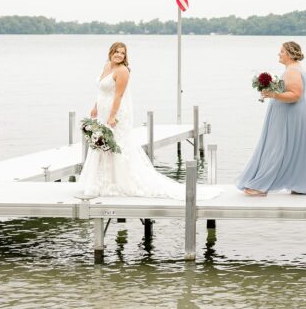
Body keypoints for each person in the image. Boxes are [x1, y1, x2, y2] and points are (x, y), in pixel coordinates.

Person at [79, 42, 218, 199]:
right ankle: (101, 181)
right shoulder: (106, 66)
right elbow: (103, 91)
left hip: (115, 112)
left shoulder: (123, 71)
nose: (119, 55)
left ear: (125, 56)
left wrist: (112, 116)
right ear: (110, 52)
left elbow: (118, 95)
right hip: (103, 110)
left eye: (122, 53)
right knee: (101, 145)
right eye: (116, 52)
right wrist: (95, 107)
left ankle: (117, 183)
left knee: (115, 145)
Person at [236, 42, 306, 196]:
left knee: (276, 148)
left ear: (289, 54)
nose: (279, 54)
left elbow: (295, 95)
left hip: (291, 115)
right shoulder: (293, 69)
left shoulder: (293, 71)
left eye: (281, 51)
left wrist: (273, 94)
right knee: (292, 148)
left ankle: (262, 186)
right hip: (292, 113)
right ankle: (300, 183)